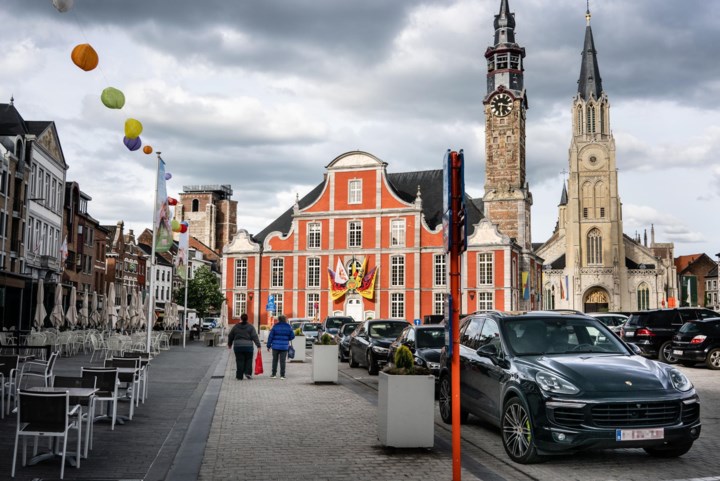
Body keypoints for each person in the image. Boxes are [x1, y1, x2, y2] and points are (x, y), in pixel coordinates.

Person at [227, 313, 261, 380]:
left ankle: (239, 376)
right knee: (249, 360)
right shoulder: (250, 327)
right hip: (248, 347)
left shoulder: (236, 327)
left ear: (241, 318)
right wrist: (258, 345)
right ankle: (248, 373)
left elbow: (230, 336)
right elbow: (254, 336)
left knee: (239, 360)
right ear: (247, 319)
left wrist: (229, 344)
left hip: (238, 347)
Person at [266, 314, 295, 380]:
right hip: (284, 347)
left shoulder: (275, 326)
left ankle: (273, 374)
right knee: (282, 361)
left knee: (275, 360)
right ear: (285, 319)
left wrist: (268, 346)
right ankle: (282, 375)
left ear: (279, 320)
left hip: (275, 346)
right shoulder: (288, 327)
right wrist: (287, 338)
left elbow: (270, 336)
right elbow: (292, 336)